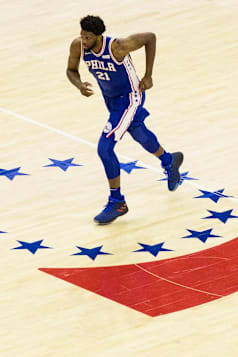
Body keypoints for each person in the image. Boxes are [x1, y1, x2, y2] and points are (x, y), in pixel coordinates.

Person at [66, 15, 183, 224]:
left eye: (88, 37)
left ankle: (117, 202)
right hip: (111, 100)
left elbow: (150, 37)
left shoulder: (118, 47)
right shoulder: (78, 46)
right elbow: (71, 70)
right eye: (82, 36)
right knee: (138, 133)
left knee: (105, 148)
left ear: (98, 36)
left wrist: (148, 75)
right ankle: (169, 161)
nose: (83, 40)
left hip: (130, 98)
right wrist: (79, 85)